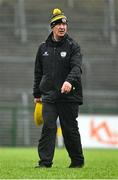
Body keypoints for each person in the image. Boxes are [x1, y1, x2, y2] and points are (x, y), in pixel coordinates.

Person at [33, 8, 84, 168]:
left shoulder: (73, 46)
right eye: (58, 24)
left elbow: (77, 68)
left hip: (69, 97)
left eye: (64, 24)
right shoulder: (43, 48)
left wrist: (69, 81)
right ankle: (45, 162)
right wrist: (37, 93)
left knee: (69, 130)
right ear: (52, 27)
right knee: (48, 128)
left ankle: (77, 161)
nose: (62, 27)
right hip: (48, 95)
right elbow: (38, 72)